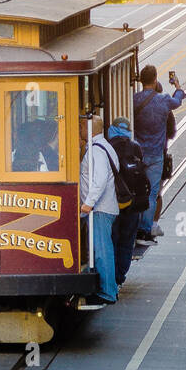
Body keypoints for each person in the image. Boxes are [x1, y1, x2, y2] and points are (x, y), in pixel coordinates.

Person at [133, 64, 186, 244]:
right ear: (155, 80)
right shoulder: (163, 101)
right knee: (152, 193)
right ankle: (145, 230)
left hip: (138, 154)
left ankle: (136, 225)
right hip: (156, 155)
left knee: (138, 190)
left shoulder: (134, 100)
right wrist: (177, 86)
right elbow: (177, 101)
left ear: (141, 80)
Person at [79, 114, 120, 306]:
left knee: (102, 251)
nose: (79, 130)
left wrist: (89, 203)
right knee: (102, 249)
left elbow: (100, 179)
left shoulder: (97, 150)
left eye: (81, 126)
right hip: (103, 208)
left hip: (100, 209)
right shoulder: (104, 146)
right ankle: (108, 289)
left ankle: (107, 292)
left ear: (90, 128)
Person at [107, 117, 149, 284]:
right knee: (126, 242)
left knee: (112, 240)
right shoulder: (135, 147)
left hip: (113, 201)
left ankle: (111, 275)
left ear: (112, 130)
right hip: (133, 203)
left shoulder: (108, 147)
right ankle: (120, 278)